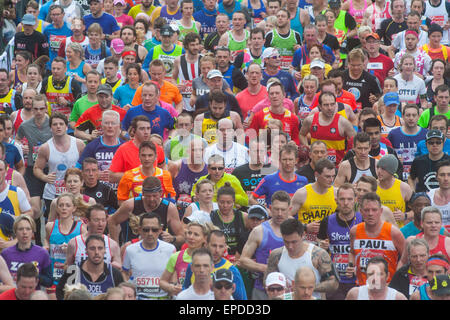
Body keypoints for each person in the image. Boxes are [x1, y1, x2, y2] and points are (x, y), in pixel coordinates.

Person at [265, 219, 339, 299]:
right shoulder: (276, 255)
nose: (290, 246)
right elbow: (268, 281)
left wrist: (307, 288)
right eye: (286, 242)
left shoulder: (318, 255)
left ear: (303, 235)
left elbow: (334, 283)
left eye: (294, 242)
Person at [316, 183, 363, 300]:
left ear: (355, 200)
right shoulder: (327, 221)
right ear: (336, 200)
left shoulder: (363, 220)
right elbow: (319, 242)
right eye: (342, 199)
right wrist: (322, 245)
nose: (346, 203)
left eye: (349, 199)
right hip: (335, 280)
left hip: (358, 279)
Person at [347, 192, 405, 286]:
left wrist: (395, 279)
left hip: (387, 287)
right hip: (362, 286)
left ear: (381, 211)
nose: (370, 214)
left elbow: (405, 258)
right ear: (361, 211)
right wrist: (351, 265)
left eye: (374, 210)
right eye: (366, 210)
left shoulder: (394, 232)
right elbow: (352, 253)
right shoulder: (354, 231)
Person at [240, 191, 289, 300]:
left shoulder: (295, 229)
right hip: (263, 290)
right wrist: (266, 268)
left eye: (283, 210)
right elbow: (243, 260)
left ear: (289, 209)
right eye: (276, 209)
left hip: (288, 289)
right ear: (270, 208)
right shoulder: (260, 231)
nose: (279, 213)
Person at [33, 113, 85, 217]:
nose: (58, 127)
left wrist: (81, 180)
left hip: (74, 192)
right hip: (53, 193)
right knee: (53, 224)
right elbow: (37, 168)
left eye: (61, 124)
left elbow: (86, 166)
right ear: (50, 128)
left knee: (76, 223)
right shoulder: (45, 147)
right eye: (55, 124)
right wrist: (44, 177)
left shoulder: (79, 144)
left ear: (66, 127)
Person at [108, 176, 184, 245]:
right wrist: (116, 247)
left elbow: (182, 237)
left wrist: (173, 238)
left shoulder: (169, 208)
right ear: (143, 193)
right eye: (148, 196)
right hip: (134, 249)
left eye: (154, 196)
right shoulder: (130, 205)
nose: (151, 199)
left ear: (161, 193)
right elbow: (112, 221)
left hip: (157, 250)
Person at [122, 212, 176, 300]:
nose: (150, 233)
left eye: (154, 230)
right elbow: (124, 272)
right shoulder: (130, 249)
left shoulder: (170, 249)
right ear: (139, 230)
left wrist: (172, 288)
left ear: (160, 230)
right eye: (146, 230)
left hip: (163, 297)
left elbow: (174, 272)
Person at [182, 229, 247, 300]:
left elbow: (241, 298)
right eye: (214, 246)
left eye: (221, 246)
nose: (217, 250)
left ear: (225, 247)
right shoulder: (194, 266)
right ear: (206, 245)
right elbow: (185, 289)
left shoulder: (232, 270)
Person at [56, 234, 124, 299]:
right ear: (86, 251)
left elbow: (122, 296)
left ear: (105, 251)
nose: (97, 252)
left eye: (100, 248)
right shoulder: (73, 271)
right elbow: (60, 293)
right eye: (92, 248)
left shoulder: (115, 274)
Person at [289, 158, 337, 245]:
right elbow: (286, 216)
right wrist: (305, 227)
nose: (331, 180)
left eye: (333, 176)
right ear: (316, 175)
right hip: (307, 241)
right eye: (327, 176)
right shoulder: (302, 193)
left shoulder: (336, 193)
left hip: (328, 241)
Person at [300, 92, 356, 166]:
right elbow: (302, 134)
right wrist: (308, 147)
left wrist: (347, 158)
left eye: (332, 104)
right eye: (326, 105)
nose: (330, 108)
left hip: (336, 167)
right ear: (320, 106)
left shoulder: (343, 122)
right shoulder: (310, 120)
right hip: (316, 165)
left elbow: (355, 141)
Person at [109, 115, 165, 184]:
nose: (146, 132)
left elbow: (163, 166)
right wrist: (136, 176)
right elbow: (111, 176)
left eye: (148, 128)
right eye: (142, 129)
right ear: (133, 131)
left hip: (152, 192)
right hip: (130, 192)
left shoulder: (157, 148)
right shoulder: (123, 149)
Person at [0, 215, 52, 288]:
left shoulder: (42, 253)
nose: (24, 232)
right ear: (15, 232)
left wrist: (36, 276)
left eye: (28, 229)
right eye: (21, 229)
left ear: (33, 232)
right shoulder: (5, 254)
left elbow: (49, 282)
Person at [76, 110, 124, 188]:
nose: (110, 126)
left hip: (121, 192)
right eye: (107, 123)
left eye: (113, 123)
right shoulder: (92, 146)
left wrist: (115, 176)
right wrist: (94, 175)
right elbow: (77, 171)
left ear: (119, 126)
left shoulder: (125, 147)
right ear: (101, 126)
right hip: (97, 193)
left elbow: (134, 173)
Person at [159, 222, 209, 297]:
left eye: (196, 234)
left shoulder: (209, 258)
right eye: (189, 233)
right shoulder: (176, 256)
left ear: (205, 239)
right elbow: (162, 281)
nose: (191, 237)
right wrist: (171, 288)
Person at [66, 204, 121, 269]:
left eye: (103, 220)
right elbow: (67, 268)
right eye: (96, 220)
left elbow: (119, 270)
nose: (100, 224)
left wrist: (114, 267)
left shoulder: (112, 245)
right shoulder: (74, 243)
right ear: (87, 221)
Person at [388, 104, 428, 181]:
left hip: (420, 177)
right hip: (399, 177)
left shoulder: (425, 134)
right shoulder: (393, 134)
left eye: (414, 115)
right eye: (408, 115)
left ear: (418, 116)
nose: (411, 118)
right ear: (402, 116)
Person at [210, 183, 248, 260]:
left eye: (228, 202)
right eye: (222, 202)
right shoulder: (211, 216)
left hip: (239, 257)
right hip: (218, 257)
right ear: (217, 201)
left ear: (233, 201)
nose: (225, 206)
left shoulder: (243, 216)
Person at [40, 57, 82, 126]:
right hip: (51, 122)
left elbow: (80, 106)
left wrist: (68, 103)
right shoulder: (46, 81)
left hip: (68, 123)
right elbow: (40, 100)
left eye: (58, 69)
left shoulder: (73, 83)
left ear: (65, 70)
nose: (55, 71)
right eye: (53, 68)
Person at [376, 154, 413, 228]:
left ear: (391, 171)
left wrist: (405, 215)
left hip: (397, 232)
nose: (379, 171)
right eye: (378, 167)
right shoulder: (373, 186)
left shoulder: (403, 188)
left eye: (383, 168)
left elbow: (418, 210)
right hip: (378, 234)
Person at [172, 33, 202, 113]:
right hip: (183, 102)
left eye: (197, 44)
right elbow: (173, 78)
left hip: (200, 102)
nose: (195, 47)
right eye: (192, 45)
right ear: (186, 46)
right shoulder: (178, 60)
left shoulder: (203, 59)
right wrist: (176, 86)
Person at [43, 4, 73, 70]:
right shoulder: (47, 29)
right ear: (50, 16)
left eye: (58, 14)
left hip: (66, 65)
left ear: (63, 14)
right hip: (51, 65)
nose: (56, 17)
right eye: (53, 15)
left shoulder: (70, 28)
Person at [429, 160, 450, 232]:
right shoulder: (429, 196)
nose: (446, 179)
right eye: (442, 175)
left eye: (449, 175)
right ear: (436, 176)